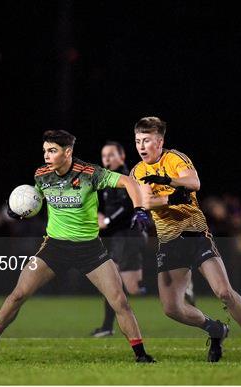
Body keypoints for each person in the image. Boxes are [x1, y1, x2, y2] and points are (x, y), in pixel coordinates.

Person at [0, 130, 155, 363]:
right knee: (18, 294)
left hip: (90, 249)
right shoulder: (42, 175)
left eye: (52, 150)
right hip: (54, 248)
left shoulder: (90, 173)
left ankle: (141, 355)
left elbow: (127, 181)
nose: (46, 155)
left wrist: (139, 209)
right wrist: (17, 211)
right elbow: (36, 201)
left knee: (120, 301)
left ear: (68, 152)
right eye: (45, 150)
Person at [130, 117, 241, 362]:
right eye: (137, 141)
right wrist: (174, 198)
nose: (141, 146)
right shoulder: (138, 171)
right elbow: (146, 202)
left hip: (195, 235)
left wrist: (168, 181)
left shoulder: (175, 158)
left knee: (223, 292)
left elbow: (194, 183)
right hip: (169, 242)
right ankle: (216, 329)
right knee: (171, 309)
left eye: (146, 141)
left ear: (160, 141)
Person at [90, 141, 147, 337]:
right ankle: (107, 326)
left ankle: (173, 286)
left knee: (130, 288)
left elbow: (127, 206)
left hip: (129, 235)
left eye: (111, 154)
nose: (106, 159)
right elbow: (100, 204)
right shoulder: (106, 180)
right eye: (104, 155)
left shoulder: (128, 178)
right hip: (117, 237)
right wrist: (98, 214)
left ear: (122, 157)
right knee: (112, 282)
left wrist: (106, 219)